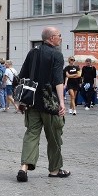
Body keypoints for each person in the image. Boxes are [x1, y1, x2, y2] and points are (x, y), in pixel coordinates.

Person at [17, 27, 68, 182]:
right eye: (59, 36)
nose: (61, 38)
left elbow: (22, 76)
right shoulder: (57, 55)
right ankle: (54, 170)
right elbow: (58, 80)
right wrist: (61, 102)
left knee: (31, 134)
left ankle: (24, 167)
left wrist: (21, 100)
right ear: (52, 38)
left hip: (32, 102)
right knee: (54, 137)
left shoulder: (33, 52)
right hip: (49, 102)